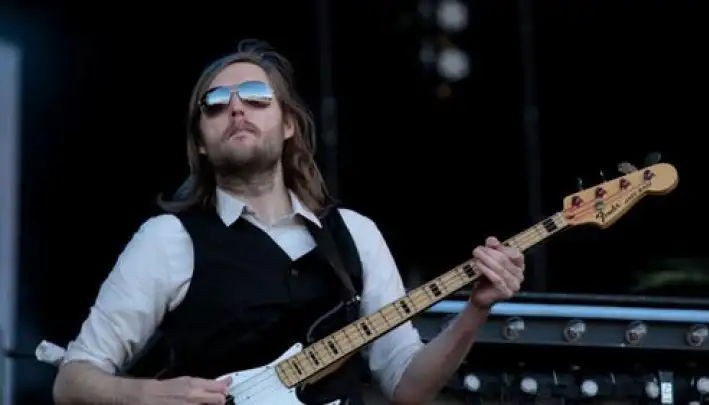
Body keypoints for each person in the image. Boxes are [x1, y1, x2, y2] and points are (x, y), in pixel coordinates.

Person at [52, 39, 525, 405]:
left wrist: (475, 310)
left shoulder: (354, 234)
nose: (236, 108)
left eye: (256, 96)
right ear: (199, 142)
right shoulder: (168, 239)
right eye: (215, 102)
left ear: (288, 124)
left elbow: (407, 387)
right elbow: (72, 381)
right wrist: (148, 394)